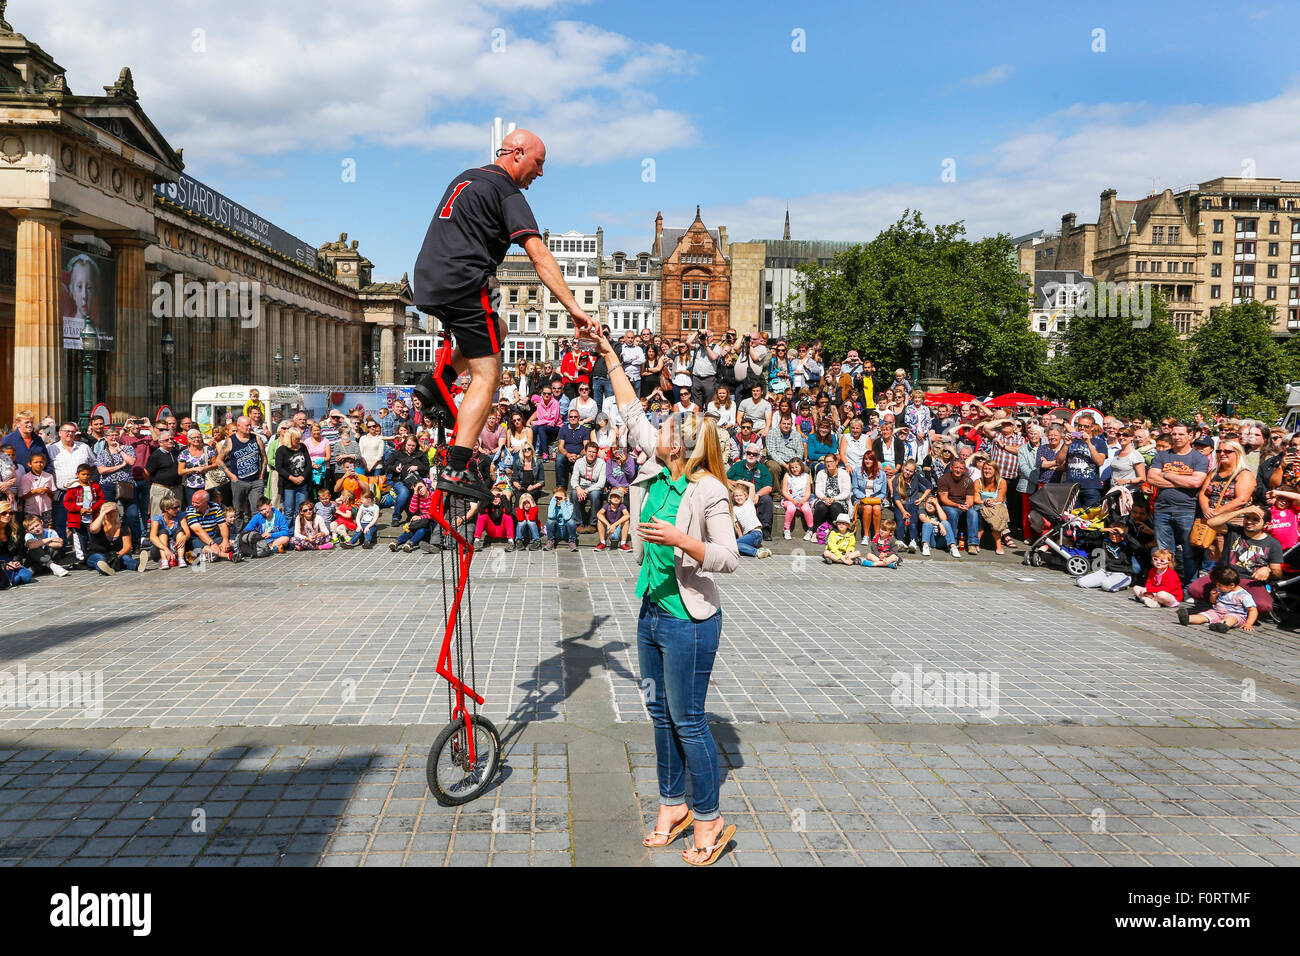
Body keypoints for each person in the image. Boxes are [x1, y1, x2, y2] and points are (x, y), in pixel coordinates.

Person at [412, 129, 593, 501]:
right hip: (464, 278)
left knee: (499, 328)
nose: (539, 174)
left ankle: (440, 379)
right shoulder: (506, 190)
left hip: (429, 278)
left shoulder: (465, 177)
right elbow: (539, 256)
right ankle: (458, 467)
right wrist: (574, 309)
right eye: (538, 163)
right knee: (488, 375)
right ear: (517, 153)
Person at [1148, 423, 1208, 589]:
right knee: (1164, 552)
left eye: (1181, 434)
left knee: (1189, 552)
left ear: (1191, 436)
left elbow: (1196, 482)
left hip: (1187, 510)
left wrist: (1167, 474)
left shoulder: (1199, 458)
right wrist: (1183, 482)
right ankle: (1167, 586)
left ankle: (1190, 587)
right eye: (1174, 434)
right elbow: (1152, 478)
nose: (1177, 437)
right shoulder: (1162, 456)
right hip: (1162, 510)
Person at [1177, 565, 1257, 633]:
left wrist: (1248, 623)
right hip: (1218, 613)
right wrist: (1213, 597)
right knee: (1205, 615)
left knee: (1231, 618)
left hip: (1236, 615)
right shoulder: (1221, 589)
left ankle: (1222, 626)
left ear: (1231, 585)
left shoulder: (1243, 595)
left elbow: (1253, 610)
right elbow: (1214, 602)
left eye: (1219, 585)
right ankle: (1188, 619)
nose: (1217, 587)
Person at [937, 456, 980, 554]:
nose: (958, 470)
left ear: (964, 470)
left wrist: (967, 506)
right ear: (951, 468)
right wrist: (956, 505)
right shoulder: (943, 479)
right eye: (956, 467)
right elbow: (944, 499)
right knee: (953, 513)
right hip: (949, 505)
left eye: (961, 468)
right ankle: (952, 541)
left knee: (973, 512)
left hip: (963, 505)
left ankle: (972, 543)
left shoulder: (968, 481)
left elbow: (970, 499)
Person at [85, 501, 137, 574]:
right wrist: (103, 512)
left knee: (127, 559)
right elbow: (93, 529)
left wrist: (118, 554)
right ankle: (104, 569)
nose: (111, 514)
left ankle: (137, 565)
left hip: (116, 553)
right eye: (108, 512)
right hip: (97, 553)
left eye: (114, 511)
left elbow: (127, 546)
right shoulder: (98, 525)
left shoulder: (123, 526)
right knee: (100, 559)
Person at [974, 460, 1013, 554]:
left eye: (990, 469)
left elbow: (1000, 499)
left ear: (995, 471)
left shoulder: (1002, 481)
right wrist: (985, 501)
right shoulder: (978, 482)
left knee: (996, 515)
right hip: (982, 506)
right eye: (985, 469)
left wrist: (992, 501)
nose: (987, 471)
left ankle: (998, 545)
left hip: (997, 506)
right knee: (979, 515)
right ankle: (976, 543)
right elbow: (976, 499)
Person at [141, 493, 187, 570]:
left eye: (178, 507)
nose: (178, 509)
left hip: (176, 546)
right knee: (163, 532)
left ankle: (180, 559)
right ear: (166, 509)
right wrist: (166, 549)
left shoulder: (180, 515)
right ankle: (164, 560)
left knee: (180, 531)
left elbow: (187, 532)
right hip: (159, 549)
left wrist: (185, 537)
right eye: (175, 508)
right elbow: (152, 537)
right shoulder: (157, 519)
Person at [570, 442, 607, 534]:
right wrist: (578, 488)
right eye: (589, 451)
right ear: (585, 452)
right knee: (574, 494)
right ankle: (578, 523)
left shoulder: (602, 463)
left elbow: (601, 483)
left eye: (594, 452)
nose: (591, 454)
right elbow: (573, 480)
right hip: (581, 486)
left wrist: (586, 491)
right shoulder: (579, 462)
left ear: (596, 453)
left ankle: (593, 524)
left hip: (594, 486)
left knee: (595, 495)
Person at [0, 500, 35, 588]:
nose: (8, 515)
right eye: (4, 513)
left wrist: (16, 562)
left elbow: (19, 550)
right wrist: (4, 566)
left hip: (10, 559)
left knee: (27, 576)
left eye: (11, 513)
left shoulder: (15, 528)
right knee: (15, 579)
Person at [780, 456, 814, 541]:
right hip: (790, 499)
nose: (794, 469)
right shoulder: (787, 476)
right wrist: (792, 500)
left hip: (803, 499)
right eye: (792, 467)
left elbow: (808, 491)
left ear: (801, 466)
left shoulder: (806, 476)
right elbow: (784, 491)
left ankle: (810, 529)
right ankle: (786, 529)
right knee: (791, 509)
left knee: (807, 509)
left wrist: (804, 500)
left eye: (796, 467)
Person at [545, 485, 577, 551]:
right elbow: (550, 516)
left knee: (571, 522)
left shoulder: (569, 505)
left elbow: (567, 517)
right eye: (557, 498)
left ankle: (572, 541)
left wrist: (563, 503)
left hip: (566, 531)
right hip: (557, 531)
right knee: (549, 520)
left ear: (565, 498)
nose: (559, 500)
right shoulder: (553, 504)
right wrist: (553, 500)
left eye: (561, 498)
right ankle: (550, 540)